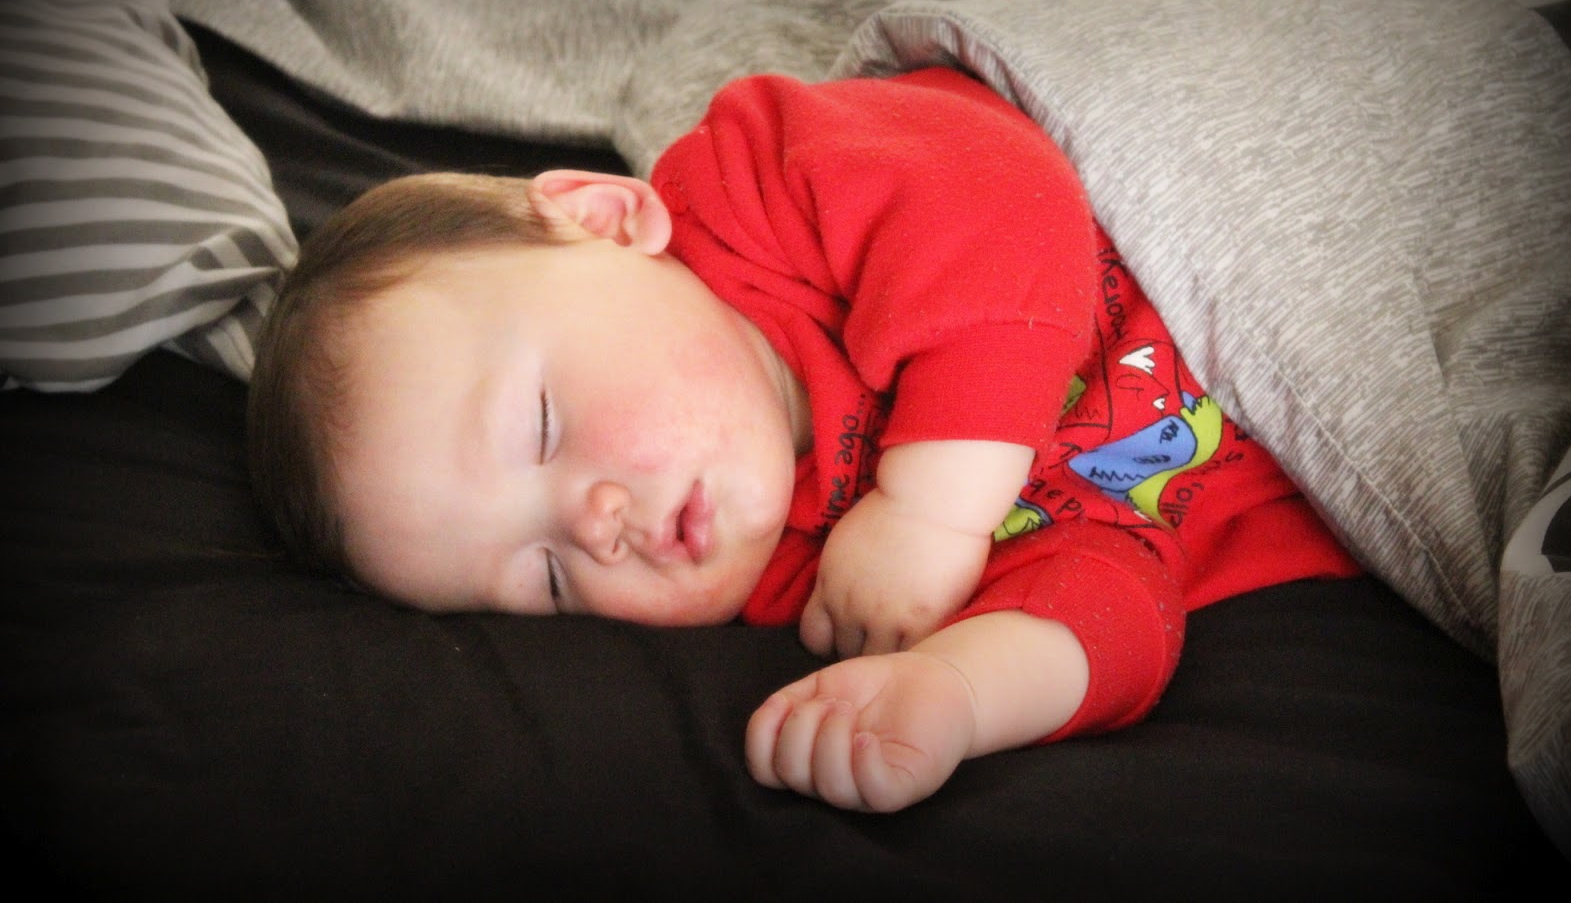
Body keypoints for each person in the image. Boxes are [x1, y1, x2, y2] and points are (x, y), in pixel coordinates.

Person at [247, 66, 1361, 813]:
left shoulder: (760, 185)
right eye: (546, 581)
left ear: (603, 221)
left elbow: (1000, 193)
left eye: (541, 426)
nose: (594, 528)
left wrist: (932, 509)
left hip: (1268, 192)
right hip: (1338, 440)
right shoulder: (802, 582)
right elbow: (1120, 588)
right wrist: (957, 689)